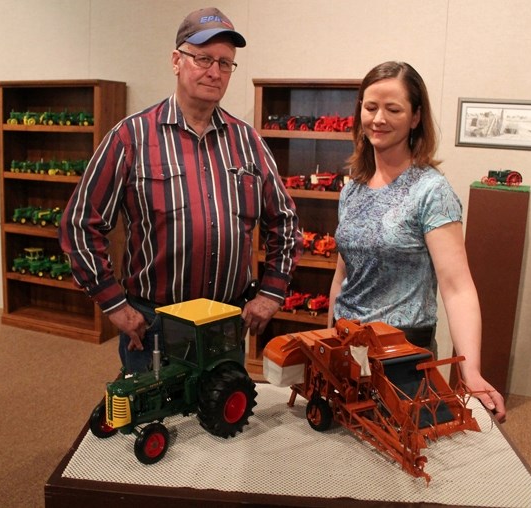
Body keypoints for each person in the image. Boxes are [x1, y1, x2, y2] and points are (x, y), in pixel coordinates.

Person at [60, 7, 303, 373]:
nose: (214, 71)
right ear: (177, 60)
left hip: (225, 322)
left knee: (223, 420)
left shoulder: (248, 141)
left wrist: (271, 292)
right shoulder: (131, 137)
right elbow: (79, 224)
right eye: (203, 58)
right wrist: (113, 303)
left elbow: (285, 224)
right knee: (154, 422)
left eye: (225, 63)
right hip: (154, 325)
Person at [328, 61, 506, 422]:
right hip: (348, 348)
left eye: (393, 109)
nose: (379, 118)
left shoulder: (432, 191)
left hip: (402, 355)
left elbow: (458, 288)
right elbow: (342, 276)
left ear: (415, 117)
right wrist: (329, 337)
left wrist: (469, 371)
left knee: (403, 458)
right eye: (370, 106)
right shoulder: (353, 190)